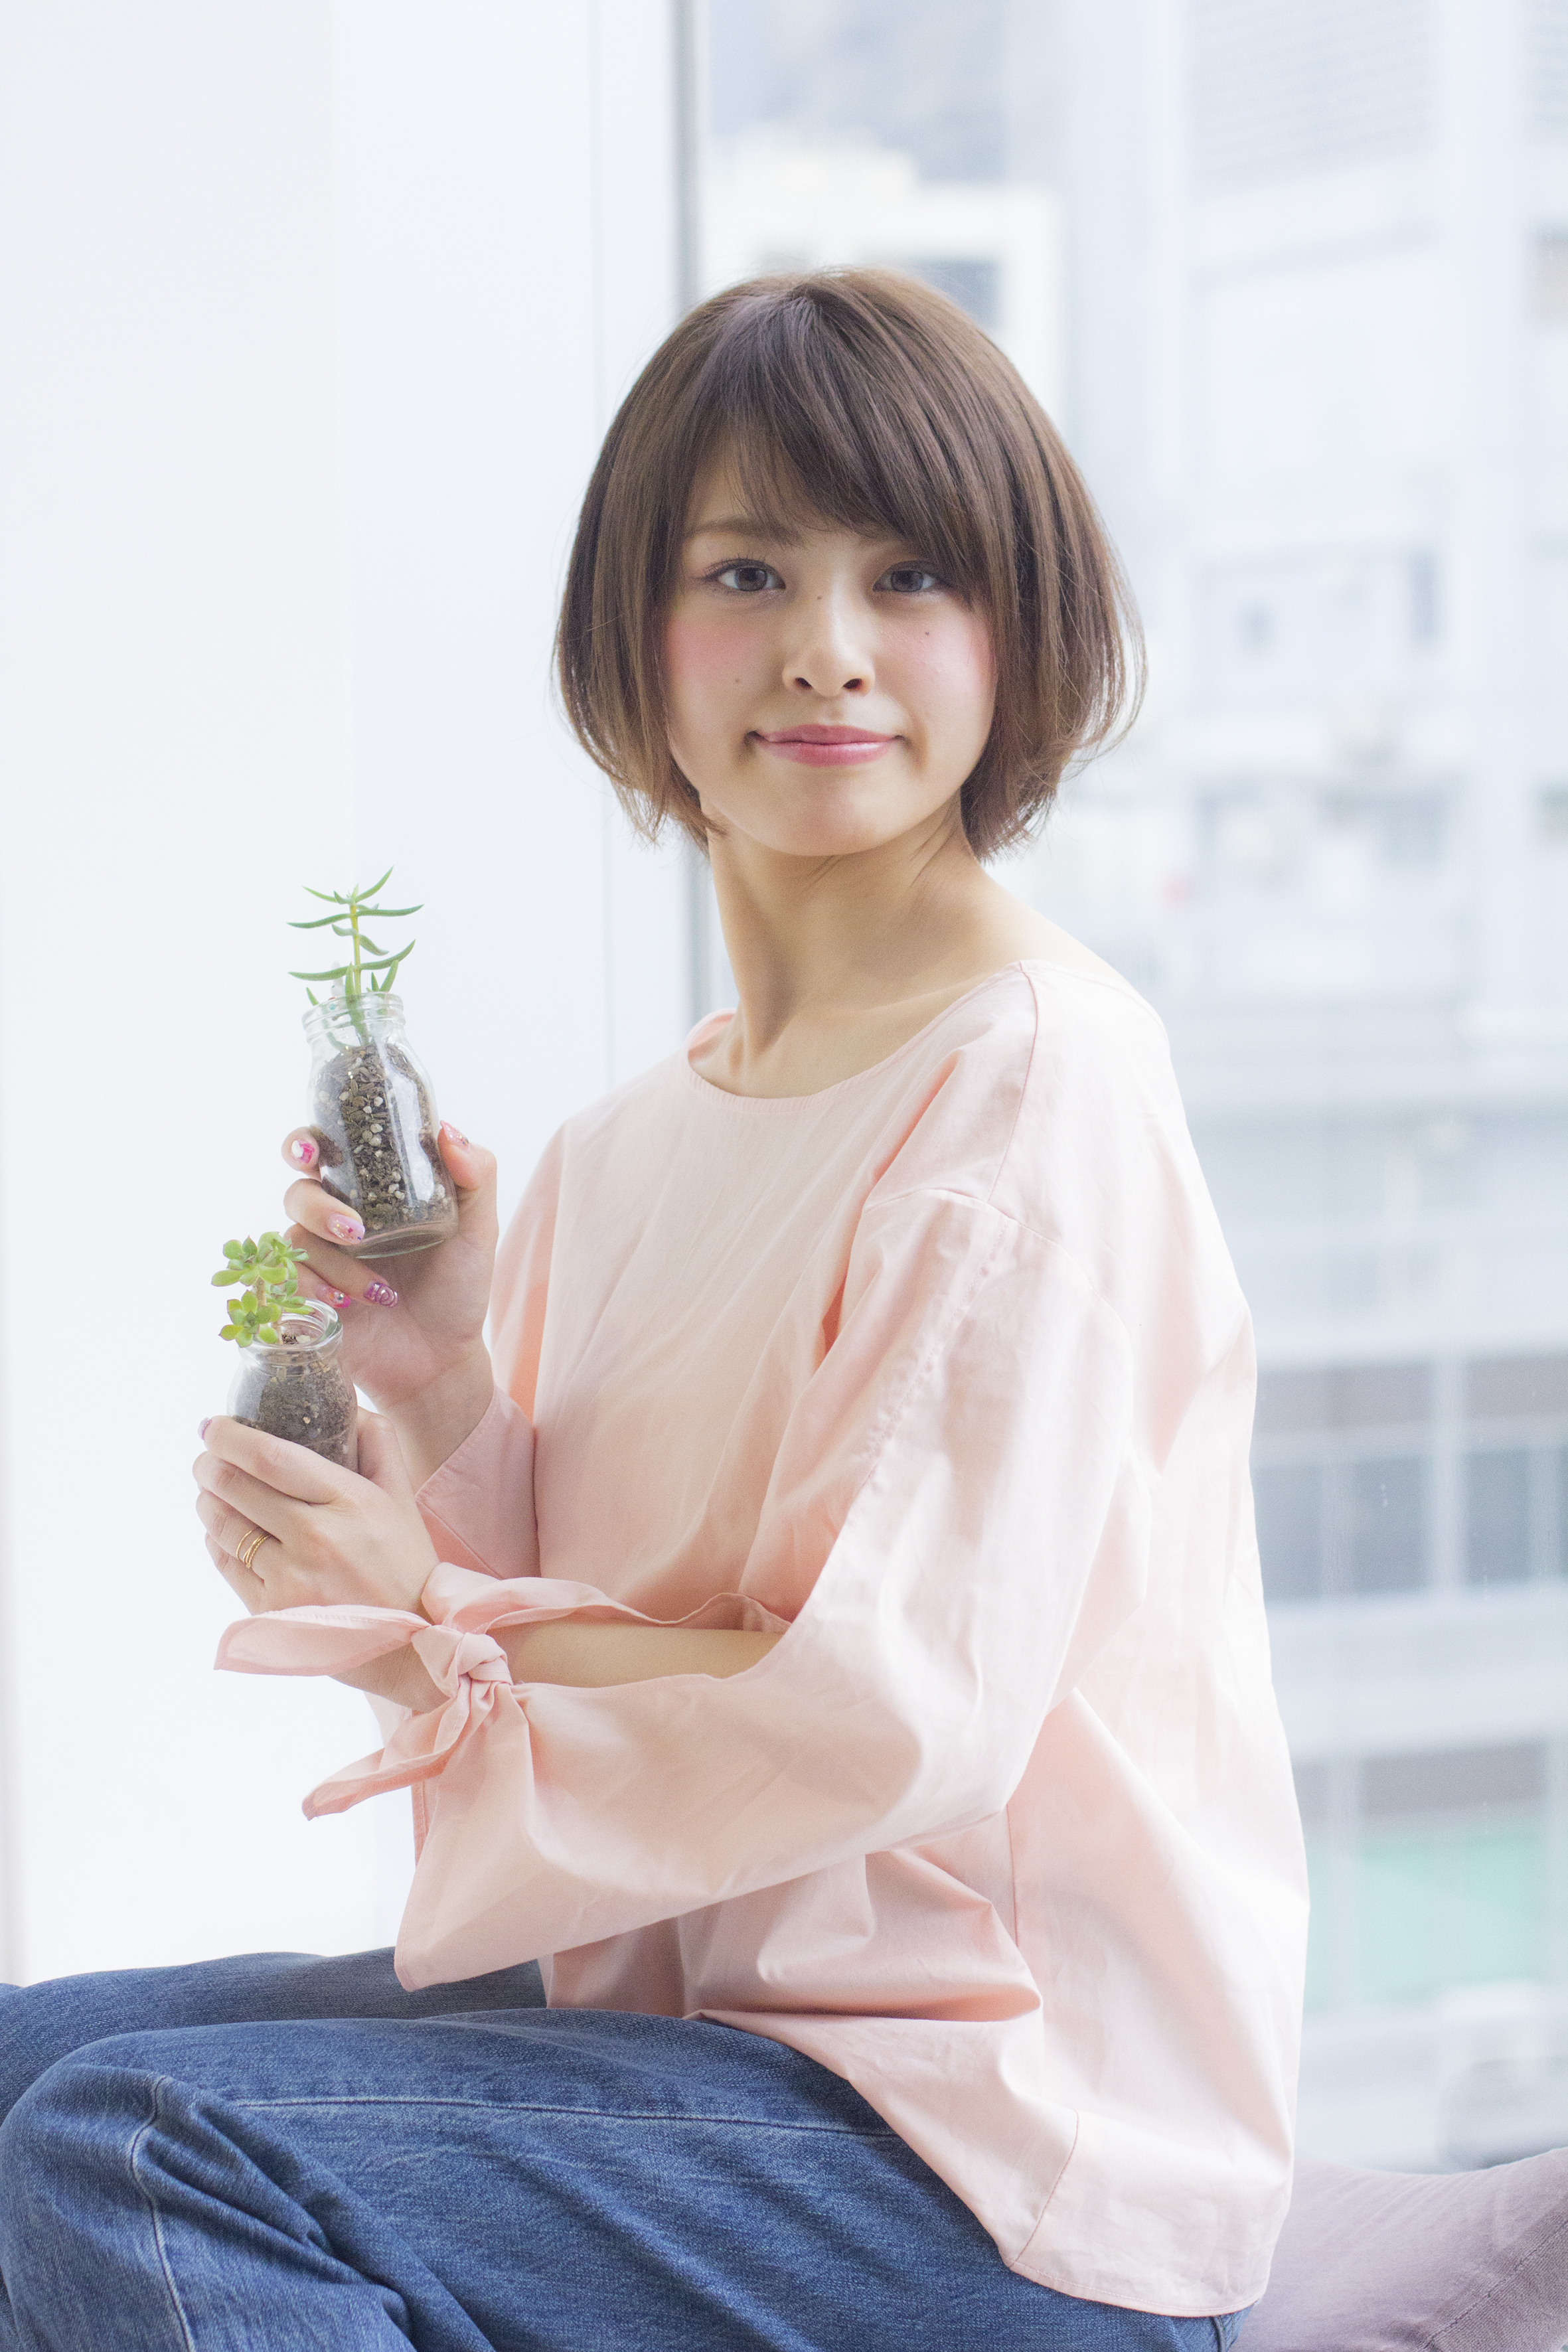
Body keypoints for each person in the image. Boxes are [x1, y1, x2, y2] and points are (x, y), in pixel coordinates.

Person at [0, 271, 1306, 2351]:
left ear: (1020, 632)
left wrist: (430, 1612)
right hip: (699, 2045)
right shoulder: (629, 1146)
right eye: (744, 572)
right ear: (634, 634)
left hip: (992, 2153)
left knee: (141, 2145)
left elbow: (890, 1706)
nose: (825, 647)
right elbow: (602, 1647)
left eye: (909, 576)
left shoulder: (1034, 1080)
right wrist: (438, 1393)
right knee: (23, 2067)